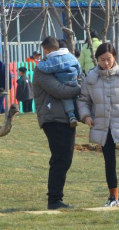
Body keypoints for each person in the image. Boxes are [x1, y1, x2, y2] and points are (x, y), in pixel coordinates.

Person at [78, 43, 119, 207]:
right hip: (102, 123)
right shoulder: (91, 78)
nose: (106, 63)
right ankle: (114, 197)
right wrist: (86, 116)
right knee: (109, 160)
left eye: (108, 59)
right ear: (97, 60)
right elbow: (83, 100)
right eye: (102, 60)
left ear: (114, 57)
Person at [33, 37, 82, 210]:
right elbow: (59, 90)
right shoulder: (42, 71)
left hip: (64, 118)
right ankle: (54, 200)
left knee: (65, 158)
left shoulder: (59, 67)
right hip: (52, 118)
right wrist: (80, 88)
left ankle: (56, 198)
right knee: (60, 158)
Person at [35, 36, 82, 127]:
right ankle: (79, 114)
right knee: (75, 98)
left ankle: (71, 115)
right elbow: (78, 67)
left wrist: (39, 64)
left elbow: (47, 68)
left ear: (46, 50)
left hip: (64, 82)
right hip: (74, 81)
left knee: (66, 98)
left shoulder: (54, 60)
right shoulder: (71, 56)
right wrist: (79, 81)